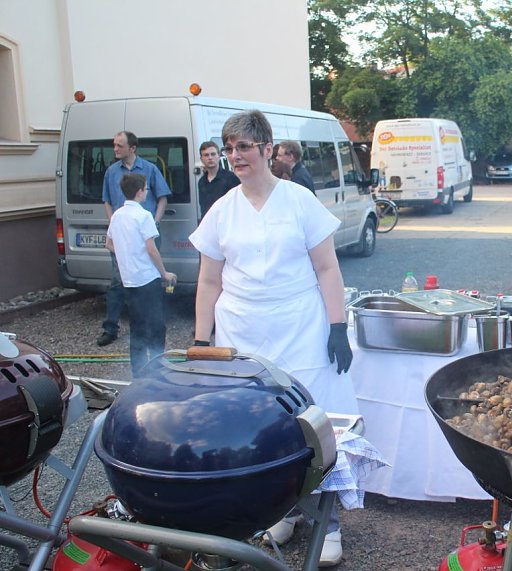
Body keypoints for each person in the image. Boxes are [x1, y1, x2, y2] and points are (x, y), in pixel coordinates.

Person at [189, 110, 355, 567]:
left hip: (301, 328)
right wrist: (203, 340)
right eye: (230, 148)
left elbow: (327, 268)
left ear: (266, 149)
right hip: (243, 335)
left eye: (244, 146)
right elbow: (208, 282)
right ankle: (281, 510)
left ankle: (330, 520)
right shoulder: (222, 208)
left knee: (314, 426)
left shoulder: (299, 201)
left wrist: (337, 326)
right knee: (258, 428)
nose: (236, 156)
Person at [98, 131, 172, 347]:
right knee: (117, 284)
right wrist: (116, 225)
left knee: (144, 287)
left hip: (146, 232)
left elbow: (162, 197)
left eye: (119, 145)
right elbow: (107, 201)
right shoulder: (111, 172)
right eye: (114, 145)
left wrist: (154, 222)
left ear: (132, 148)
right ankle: (111, 327)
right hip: (123, 237)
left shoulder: (149, 169)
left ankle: (145, 333)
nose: (115, 149)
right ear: (140, 192)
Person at [105, 173, 176, 377]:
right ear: (139, 191)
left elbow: (108, 243)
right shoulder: (144, 215)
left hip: (128, 279)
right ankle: (156, 367)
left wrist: (125, 252)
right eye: (145, 188)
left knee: (137, 326)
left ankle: (138, 371)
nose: (147, 192)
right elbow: (151, 249)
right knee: (156, 325)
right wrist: (163, 273)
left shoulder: (117, 215)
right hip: (147, 277)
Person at [198, 140, 240, 218]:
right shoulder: (201, 182)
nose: (210, 158)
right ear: (201, 159)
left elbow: (237, 205)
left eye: (213, 154)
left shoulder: (232, 178)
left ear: (219, 156)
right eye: (206, 155)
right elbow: (203, 208)